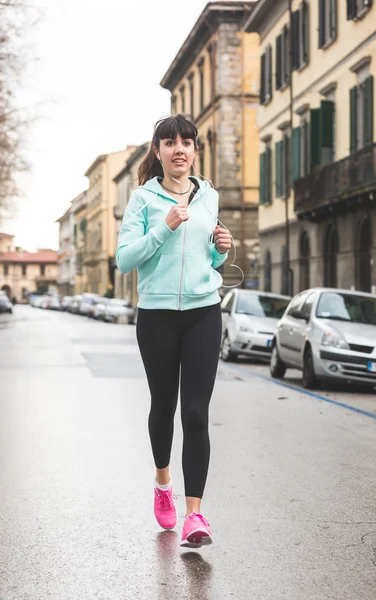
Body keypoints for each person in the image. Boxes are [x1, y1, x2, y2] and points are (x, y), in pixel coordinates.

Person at [116, 114, 232, 549]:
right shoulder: (142, 199)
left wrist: (221, 251)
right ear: (159, 151)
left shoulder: (209, 196)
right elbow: (125, 259)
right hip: (158, 316)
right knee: (163, 408)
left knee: (196, 414)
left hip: (204, 312)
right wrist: (164, 226)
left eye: (186, 142)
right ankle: (163, 481)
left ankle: (195, 515)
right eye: (170, 142)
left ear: (195, 150)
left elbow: (208, 259)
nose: (178, 149)